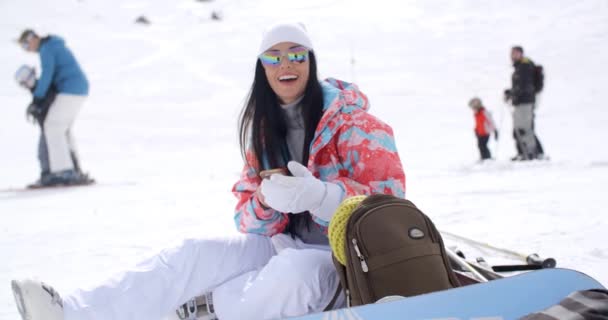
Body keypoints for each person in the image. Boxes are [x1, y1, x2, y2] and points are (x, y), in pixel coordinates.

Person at [11, 22, 406, 320]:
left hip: (344, 261)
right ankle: (72, 313)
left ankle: (209, 307)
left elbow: (391, 205)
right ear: (262, 68)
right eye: (274, 56)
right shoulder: (266, 132)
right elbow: (246, 219)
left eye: (296, 54)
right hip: (286, 244)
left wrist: (323, 197)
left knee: (291, 274)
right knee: (192, 255)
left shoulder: (356, 125)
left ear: (311, 60)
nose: (285, 64)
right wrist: (266, 201)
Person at [17, 29, 91, 186]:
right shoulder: (52, 46)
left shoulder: (47, 49)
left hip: (70, 89)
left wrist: (37, 98)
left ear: (32, 38)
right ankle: (73, 168)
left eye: (25, 45)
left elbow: (47, 75)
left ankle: (63, 171)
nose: (27, 49)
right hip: (78, 89)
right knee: (62, 128)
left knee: (53, 127)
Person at [14, 65, 86, 187]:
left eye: (25, 82)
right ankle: (70, 170)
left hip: (54, 125)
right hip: (52, 125)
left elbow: (51, 101)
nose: (25, 85)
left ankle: (52, 174)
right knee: (57, 147)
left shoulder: (43, 87)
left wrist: (38, 108)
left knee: (47, 149)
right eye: (22, 84)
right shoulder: (38, 89)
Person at [503, 46, 544, 161]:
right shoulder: (520, 67)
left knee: (524, 128)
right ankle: (525, 152)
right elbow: (519, 86)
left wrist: (511, 93)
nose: (513, 56)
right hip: (520, 101)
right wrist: (511, 93)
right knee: (519, 128)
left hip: (525, 101)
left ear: (521, 54)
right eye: (512, 54)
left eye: (515, 53)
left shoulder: (525, 66)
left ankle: (531, 153)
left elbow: (524, 85)